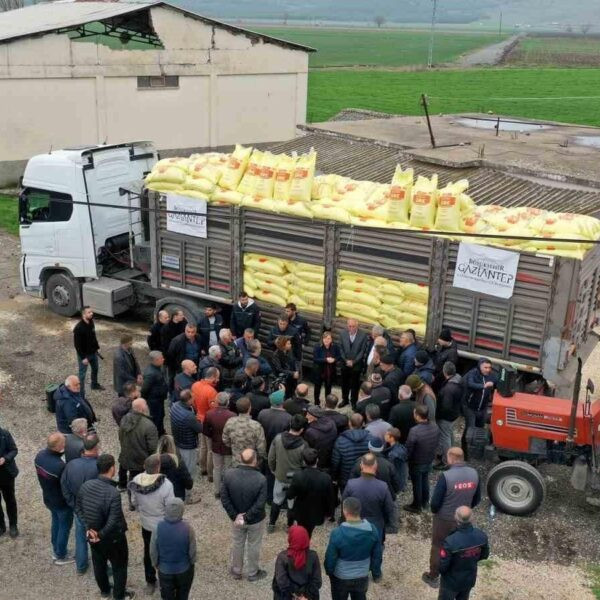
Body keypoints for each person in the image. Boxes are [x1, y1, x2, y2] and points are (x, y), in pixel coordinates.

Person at [76, 453, 134, 599]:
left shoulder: (85, 486)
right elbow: (114, 519)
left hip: (94, 536)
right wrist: (99, 534)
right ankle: (119, 596)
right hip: (113, 538)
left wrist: (89, 529)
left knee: (99, 565)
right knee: (119, 567)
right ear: (112, 468)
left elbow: (78, 509)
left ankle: (105, 591)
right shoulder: (113, 493)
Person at [423, 447, 482, 589]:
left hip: (444, 518)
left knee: (438, 546)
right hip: (463, 519)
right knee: (460, 547)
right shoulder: (474, 474)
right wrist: (466, 509)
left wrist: (436, 512)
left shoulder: (446, 476)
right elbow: (477, 498)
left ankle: (433, 576)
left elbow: (435, 503)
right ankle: (454, 572)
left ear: (450, 458)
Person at [129, 454, 176, 595]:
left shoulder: (136, 481)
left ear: (145, 466)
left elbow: (134, 502)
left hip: (146, 524)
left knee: (148, 552)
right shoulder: (166, 484)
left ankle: (150, 581)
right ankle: (165, 580)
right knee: (165, 553)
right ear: (158, 467)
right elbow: (171, 507)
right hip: (162, 525)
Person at [220, 448, 268, 582]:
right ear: (255, 461)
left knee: (237, 543)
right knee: (254, 545)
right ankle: (253, 573)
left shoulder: (228, 475)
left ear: (240, 459)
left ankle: (236, 571)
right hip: (255, 520)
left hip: (237, 519)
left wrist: (236, 516)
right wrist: (245, 517)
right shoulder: (261, 479)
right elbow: (260, 504)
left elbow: (224, 498)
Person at [324, 497, 382, 600]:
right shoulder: (372, 530)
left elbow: (330, 558)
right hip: (362, 575)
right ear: (359, 510)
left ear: (345, 511)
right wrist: (374, 570)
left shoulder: (337, 533)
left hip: (341, 576)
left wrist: (329, 571)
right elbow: (377, 555)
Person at [60, 433, 99, 574]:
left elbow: (64, 486)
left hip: (78, 508)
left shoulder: (71, 464)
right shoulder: (99, 465)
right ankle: (103, 568)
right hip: (94, 510)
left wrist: (73, 504)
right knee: (97, 538)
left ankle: (81, 566)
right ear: (96, 448)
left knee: (80, 536)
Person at [34, 432, 74, 565]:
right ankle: (61, 555)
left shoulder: (39, 456)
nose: (65, 445)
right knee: (64, 527)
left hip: (48, 498)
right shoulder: (59, 466)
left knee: (56, 522)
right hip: (61, 502)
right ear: (57, 447)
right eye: (63, 443)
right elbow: (67, 486)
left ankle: (56, 547)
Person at [343, 453, 395, 546]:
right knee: (375, 549)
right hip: (376, 526)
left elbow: (345, 503)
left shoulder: (351, 484)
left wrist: (344, 520)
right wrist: (390, 524)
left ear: (361, 466)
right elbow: (389, 509)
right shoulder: (383, 486)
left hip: (355, 523)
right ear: (375, 466)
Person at [150, 498, 197, 600]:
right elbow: (192, 552)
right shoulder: (188, 528)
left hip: (165, 570)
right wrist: (192, 563)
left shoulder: (157, 528)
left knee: (167, 596)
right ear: (182, 511)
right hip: (184, 570)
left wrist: (155, 564)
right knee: (183, 595)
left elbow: (153, 550)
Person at [438, 506, 489, 600]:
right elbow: (484, 556)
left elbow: (442, 567)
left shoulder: (450, 541)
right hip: (468, 579)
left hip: (451, 582)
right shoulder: (481, 536)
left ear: (456, 518)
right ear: (472, 518)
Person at [268, 414, 307, 533]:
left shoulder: (278, 438)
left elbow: (271, 457)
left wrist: (273, 470)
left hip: (280, 476)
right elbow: (305, 464)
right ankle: (289, 526)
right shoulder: (304, 445)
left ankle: (271, 524)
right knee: (292, 504)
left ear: (290, 424)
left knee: (276, 500)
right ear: (302, 429)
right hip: (295, 480)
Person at [287, 447, 335, 538]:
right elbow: (330, 498)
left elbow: (290, 495)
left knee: (302, 531)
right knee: (309, 532)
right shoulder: (326, 478)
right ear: (317, 460)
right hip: (317, 512)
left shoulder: (298, 476)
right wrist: (330, 513)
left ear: (304, 462)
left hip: (301, 512)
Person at [118, 398, 159, 501]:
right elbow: (153, 447)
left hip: (126, 454)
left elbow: (120, 436)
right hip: (141, 459)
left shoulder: (124, 419)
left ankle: (128, 493)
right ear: (141, 409)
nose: (147, 406)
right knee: (138, 481)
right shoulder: (149, 425)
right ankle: (136, 500)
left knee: (130, 476)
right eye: (146, 404)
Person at [404, 404, 440, 514]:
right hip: (429, 459)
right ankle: (425, 502)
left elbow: (409, 448)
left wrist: (406, 458)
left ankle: (416, 505)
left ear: (418, 416)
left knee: (417, 484)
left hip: (417, 462)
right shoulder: (435, 426)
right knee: (425, 480)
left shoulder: (414, 431)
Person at [258, 389, 292, 503]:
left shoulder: (262, 413)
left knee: (265, 472)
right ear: (282, 402)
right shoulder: (288, 418)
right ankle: (273, 498)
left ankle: (266, 496)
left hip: (265, 447)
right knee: (275, 475)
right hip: (279, 451)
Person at [273, 524, 322, 600]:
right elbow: (317, 581)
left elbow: (281, 581)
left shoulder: (283, 557)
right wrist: (305, 595)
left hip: (287, 596)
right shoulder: (313, 556)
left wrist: (295, 595)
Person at [203, 392, 235, 498]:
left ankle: (217, 491)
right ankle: (228, 491)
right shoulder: (232, 416)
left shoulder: (209, 414)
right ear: (228, 402)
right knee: (228, 469)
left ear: (217, 401)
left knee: (217, 469)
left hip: (216, 445)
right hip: (229, 447)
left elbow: (206, 432)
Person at [349, 438, 400, 503]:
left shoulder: (359, 462)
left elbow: (352, 480)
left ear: (369, 447)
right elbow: (396, 484)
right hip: (384, 496)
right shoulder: (388, 464)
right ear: (382, 448)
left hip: (364, 496)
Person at [170, 389, 203, 489]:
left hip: (178, 441)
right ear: (188, 400)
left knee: (181, 465)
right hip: (188, 445)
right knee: (189, 470)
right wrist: (200, 421)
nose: (194, 399)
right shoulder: (189, 416)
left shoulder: (174, 406)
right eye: (193, 397)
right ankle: (188, 495)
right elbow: (200, 429)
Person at [331, 414, 372, 492]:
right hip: (365, 475)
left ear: (349, 423)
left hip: (345, 478)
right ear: (363, 424)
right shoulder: (371, 438)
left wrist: (334, 477)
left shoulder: (340, 441)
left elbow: (335, 462)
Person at [191, 367, 220, 478]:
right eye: (217, 377)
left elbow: (193, 402)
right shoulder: (211, 391)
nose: (218, 380)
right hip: (208, 422)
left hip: (198, 418)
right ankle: (210, 473)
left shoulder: (195, 385)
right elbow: (214, 410)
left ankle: (202, 468)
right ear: (212, 377)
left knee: (202, 446)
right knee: (210, 449)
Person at [222, 396, 267, 466]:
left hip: (236, 460)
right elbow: (261, 449)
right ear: (249, 408)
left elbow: (225, 440)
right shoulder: (256, 426)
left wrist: (235, 447)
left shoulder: (230, 422)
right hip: (252, 462)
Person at [436, 362, 464, 468]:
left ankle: (446, 461)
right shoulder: (458, 379)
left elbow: (446, 406)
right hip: (455, 414)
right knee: (450, 434)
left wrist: (438, 414)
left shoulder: (448, 389)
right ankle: (453, 454)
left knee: (444, 438)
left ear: (444, 372)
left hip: (446, 417)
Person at [73, 306, 104, 395]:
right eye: (89, 312)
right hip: (84, 355)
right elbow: (77, 345)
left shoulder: (91, 322)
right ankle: (81, 394)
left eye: (91, 312)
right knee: (82, 375)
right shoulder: (78, 328)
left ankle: (94, 385)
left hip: (93, 353)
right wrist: (83, 358)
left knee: (95, 369)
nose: (92, 313)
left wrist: (97, 347)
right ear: (83, 314)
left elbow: (93, 336)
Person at [339, 319, 368, 409]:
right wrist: (345, 360)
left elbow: (362, 351)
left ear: (357, 326)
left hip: (356, 364)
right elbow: (341, 348)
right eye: (349, 326)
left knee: (355, 384)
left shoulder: (363, 335)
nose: (351, 328)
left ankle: (354, 402)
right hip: (345, 363)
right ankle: (345, 399)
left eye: (353, 326)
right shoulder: (342, 333)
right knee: (344, 383)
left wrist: (354, 362)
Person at [156, 435, 194, 502]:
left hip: (159, 497)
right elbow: (189, 483)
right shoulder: (178, 462)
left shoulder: (154, 462)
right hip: (177, 496)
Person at [463, 358, 497, 429]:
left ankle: (477, 440)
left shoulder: (492, 375)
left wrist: (494, 384)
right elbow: (470, 384)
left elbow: (498, 383)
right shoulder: (472, 373)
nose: (488, 370)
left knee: (480, 427)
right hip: (470, 407)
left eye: (489, 367)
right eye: (485, 367)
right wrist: (484, 386)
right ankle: (465, 440)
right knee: (470, 429)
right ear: (479, 367)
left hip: (483, 408)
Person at [142, 350, 169, 436]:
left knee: (161, 415)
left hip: (159, 399)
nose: (163, 359)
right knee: (156, 418)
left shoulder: (157, 368)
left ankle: (160, 431)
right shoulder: (151, 373)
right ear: (156, 360)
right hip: (154, 400)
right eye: (161, 358)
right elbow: (145, 389)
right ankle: (155, 435)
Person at [304, 405, 338, 472]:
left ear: (314, 417)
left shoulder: (311, 432)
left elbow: (308, 447)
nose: (306, 416)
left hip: (318, 457)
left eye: (308, 415)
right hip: (330, 455)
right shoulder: (332, 422)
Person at [312, 331, 341, 406]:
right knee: (317, 388)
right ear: (322, 339)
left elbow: (339, 356)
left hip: (330, 371)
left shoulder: (335, 347)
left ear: (331, 339)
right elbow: (315, 359)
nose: (326, 340)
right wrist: (326, 360)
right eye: (325, 338)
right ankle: (316, 403)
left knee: (328, 388)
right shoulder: (317, 346)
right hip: (319, 371)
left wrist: (334, 360)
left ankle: (327, 403)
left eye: (328, 338)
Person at [0, 423, 19, 538]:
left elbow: (14, 450)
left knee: (10, 500)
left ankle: (13, 525)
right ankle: (1, 526)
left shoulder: (4, 434)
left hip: (6, 474)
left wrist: (5, 458)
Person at [383, 428, 408, 495]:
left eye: (386, 434)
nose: (384, 435)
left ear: (392, 438)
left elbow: (391, 471)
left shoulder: (392, 455)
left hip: (396, 482)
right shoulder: (401, 447)